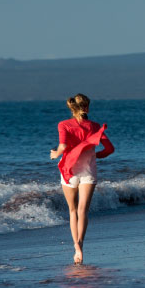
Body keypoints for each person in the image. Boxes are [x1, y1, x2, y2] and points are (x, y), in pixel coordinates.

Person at [50, 94, 114, 264]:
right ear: (87, 108)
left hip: (69, 170)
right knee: (83, 211)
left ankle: (75, 247)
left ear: (72, 108)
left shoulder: (63, 124)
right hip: (88, 171)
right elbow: (109, 149)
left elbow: (62, 147)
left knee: (72, 210)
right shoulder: (94, 126)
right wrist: (96, 155)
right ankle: (81, 245)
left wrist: (54, 154)